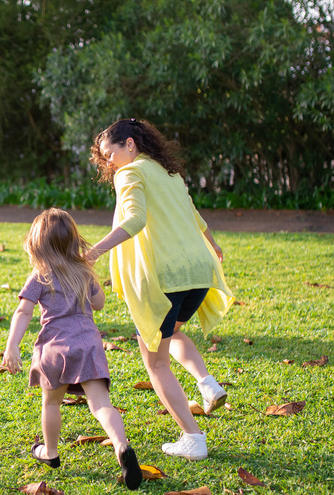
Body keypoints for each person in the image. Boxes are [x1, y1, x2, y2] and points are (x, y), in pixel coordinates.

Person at [84, 119, 234, 462]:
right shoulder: (170, 174)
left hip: (166, 278)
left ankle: (193, 438)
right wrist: (214, 245)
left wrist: (95, 251)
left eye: (111, 154)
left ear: (131, 144)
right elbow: (194, 214)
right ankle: (206, 382)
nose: (109, 163)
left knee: (156, 362)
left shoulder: (130, 173)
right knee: (171, 333)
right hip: (198, 272)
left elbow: (134, 220)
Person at [1, 209, 143, 489]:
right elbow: (99, 303)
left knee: (51, 402)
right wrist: (91, 277)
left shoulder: (40, 274)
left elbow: (23, 311)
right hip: (88, 343)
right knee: (101, 404)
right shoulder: (83, 271)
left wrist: (12, 346)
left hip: (54, 346)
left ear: (37, 244)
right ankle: (121, 446)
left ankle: (50, 453)